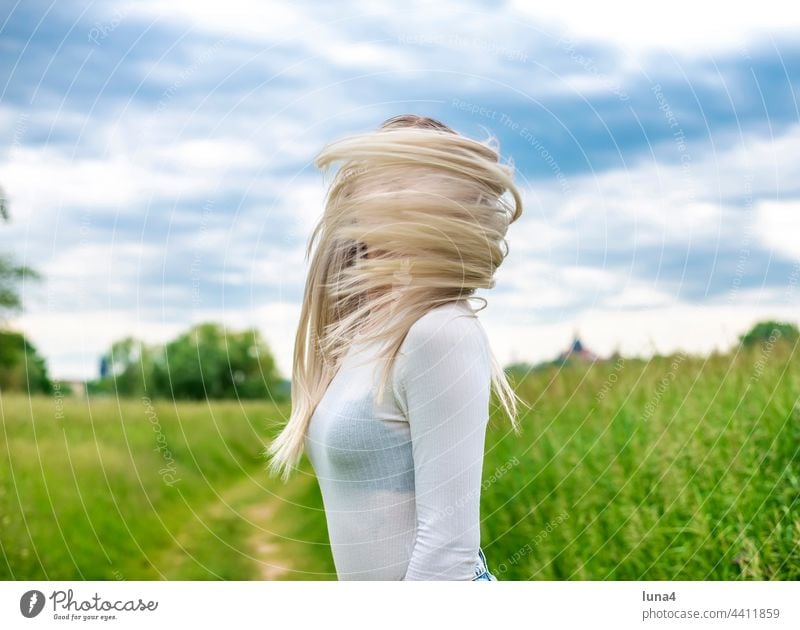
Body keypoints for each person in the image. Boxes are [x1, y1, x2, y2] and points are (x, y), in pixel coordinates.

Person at [265, 113, 525, 580]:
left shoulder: (441, 331)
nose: (386, 194)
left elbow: (447, 556)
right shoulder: (365, 333)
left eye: (404, 181)